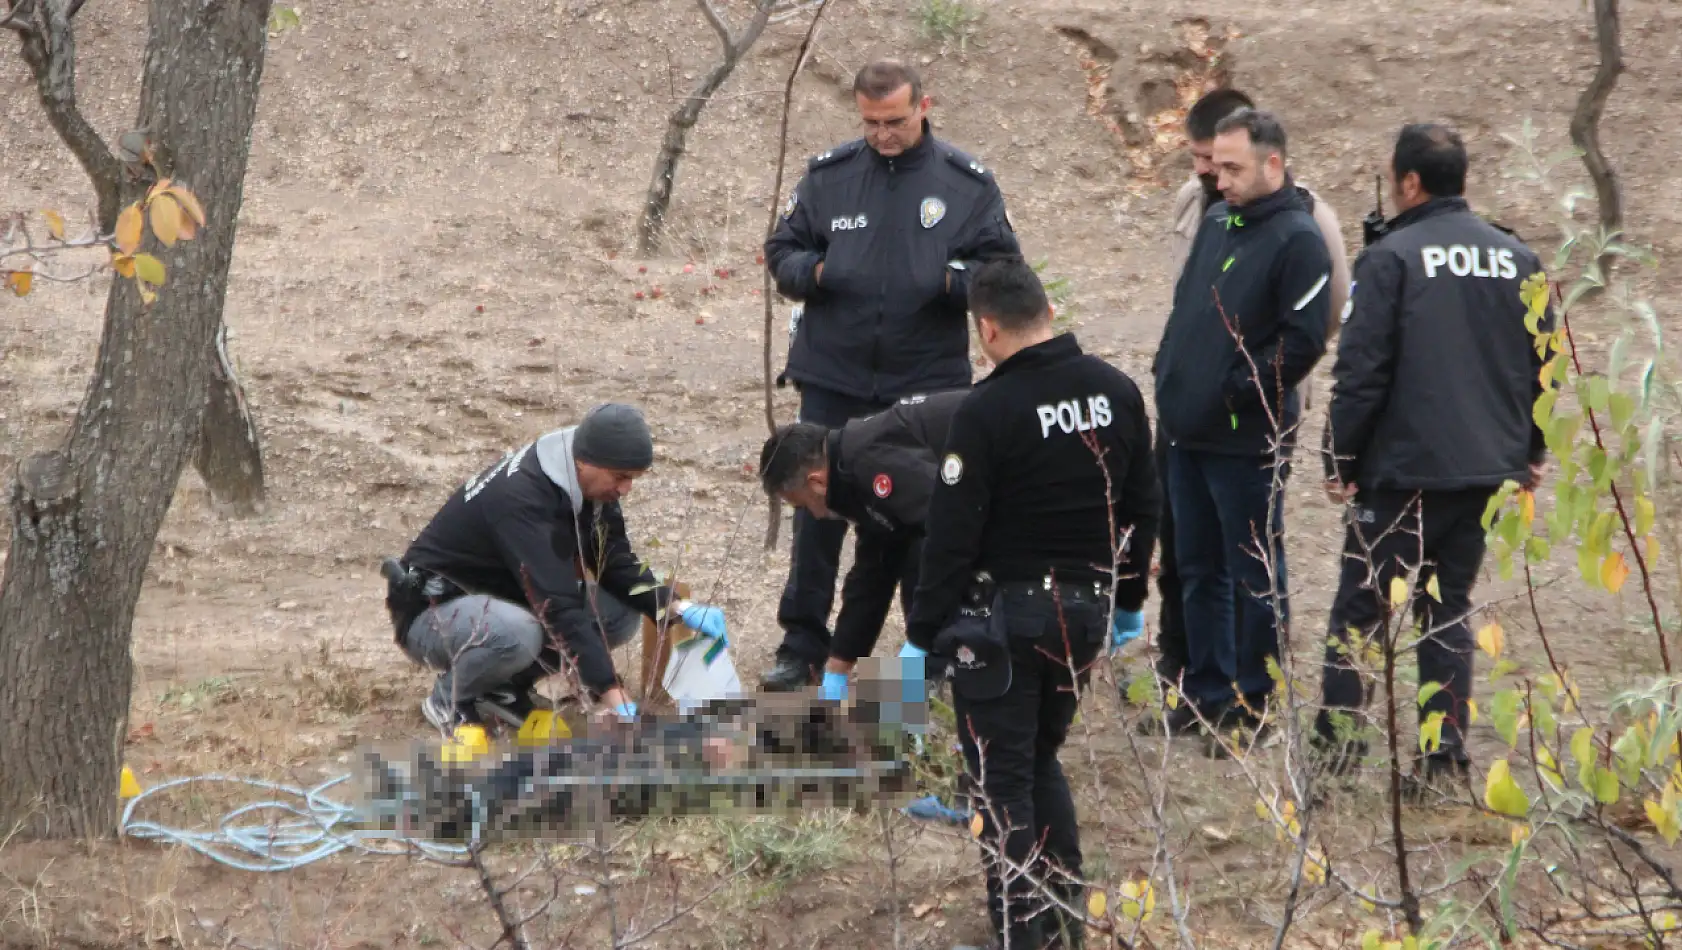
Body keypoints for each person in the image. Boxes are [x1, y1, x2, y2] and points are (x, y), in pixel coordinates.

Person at [903, 257, 1160, 950]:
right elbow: (1141, 506)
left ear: (986, 329)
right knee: (1038, 762)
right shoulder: (1116, 391)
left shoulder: (986, 410)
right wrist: (1129, 598)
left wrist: (925, 631)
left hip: (1006, 624)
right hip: (1085, 614)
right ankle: (1062, 923)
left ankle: (1024, 935)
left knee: (999, 784)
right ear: (1046, 311)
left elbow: (951, 535)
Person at [760, 58, 1022, 691]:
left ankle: (925, 652)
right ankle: (803, 644)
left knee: (918, 516)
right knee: (817, 512)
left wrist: (944, 282)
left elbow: (1004, 273)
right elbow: (782, 251)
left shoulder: (966, 185)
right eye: (872, 122)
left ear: (923, 106)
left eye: (896, 121)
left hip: (924, 380)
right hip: (834, 373)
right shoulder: (830, 177)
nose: (884, 134)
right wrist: (816, 275)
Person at [1315, 123, 1553, 785]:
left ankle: (1337, 751)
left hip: (1405, 472)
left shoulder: (1391, 259)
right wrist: (1531, 449)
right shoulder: (1517, 257)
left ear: (1410, 182)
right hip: (1486, 468)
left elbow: (1361, 371)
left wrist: (1341, 457)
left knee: (1360, 612)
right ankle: (1442, 760)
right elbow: (1544, 365)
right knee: (1446, 606)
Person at [1145, 89, 1351, 692]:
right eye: (1216, 164)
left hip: (1244, 437)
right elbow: (1188, 310)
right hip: (1186, 431)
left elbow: (1303, 341)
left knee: (1252, 572)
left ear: (1273, 165)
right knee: (1196, 568)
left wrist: (1234, 393)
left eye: (1233, 167)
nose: (1219, 177)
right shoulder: (1215, 220)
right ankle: (1205, 690)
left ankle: (1255, 698)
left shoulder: (1299, 238)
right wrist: (1170, 374)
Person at [383, 403, 729, 732]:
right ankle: (449, 700)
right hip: (432, 615)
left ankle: (501, 688)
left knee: (619, 612)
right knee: (520, 633)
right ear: (585, 461)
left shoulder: (589, 484)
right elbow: (557, 606)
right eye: (621, 477)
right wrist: (611, 692)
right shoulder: (523, 498)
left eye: (634, 478)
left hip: (500, 603)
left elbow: (614, 564)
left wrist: (674, 606)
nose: (626, 489)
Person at [755, 389, 969, 699]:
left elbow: (947, 532)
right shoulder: (850, 471)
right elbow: (874, 572)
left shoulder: (871, 462)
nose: (813, 514)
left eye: (803, 505)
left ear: (815, 481)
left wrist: (919, 640)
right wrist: (838, 665)